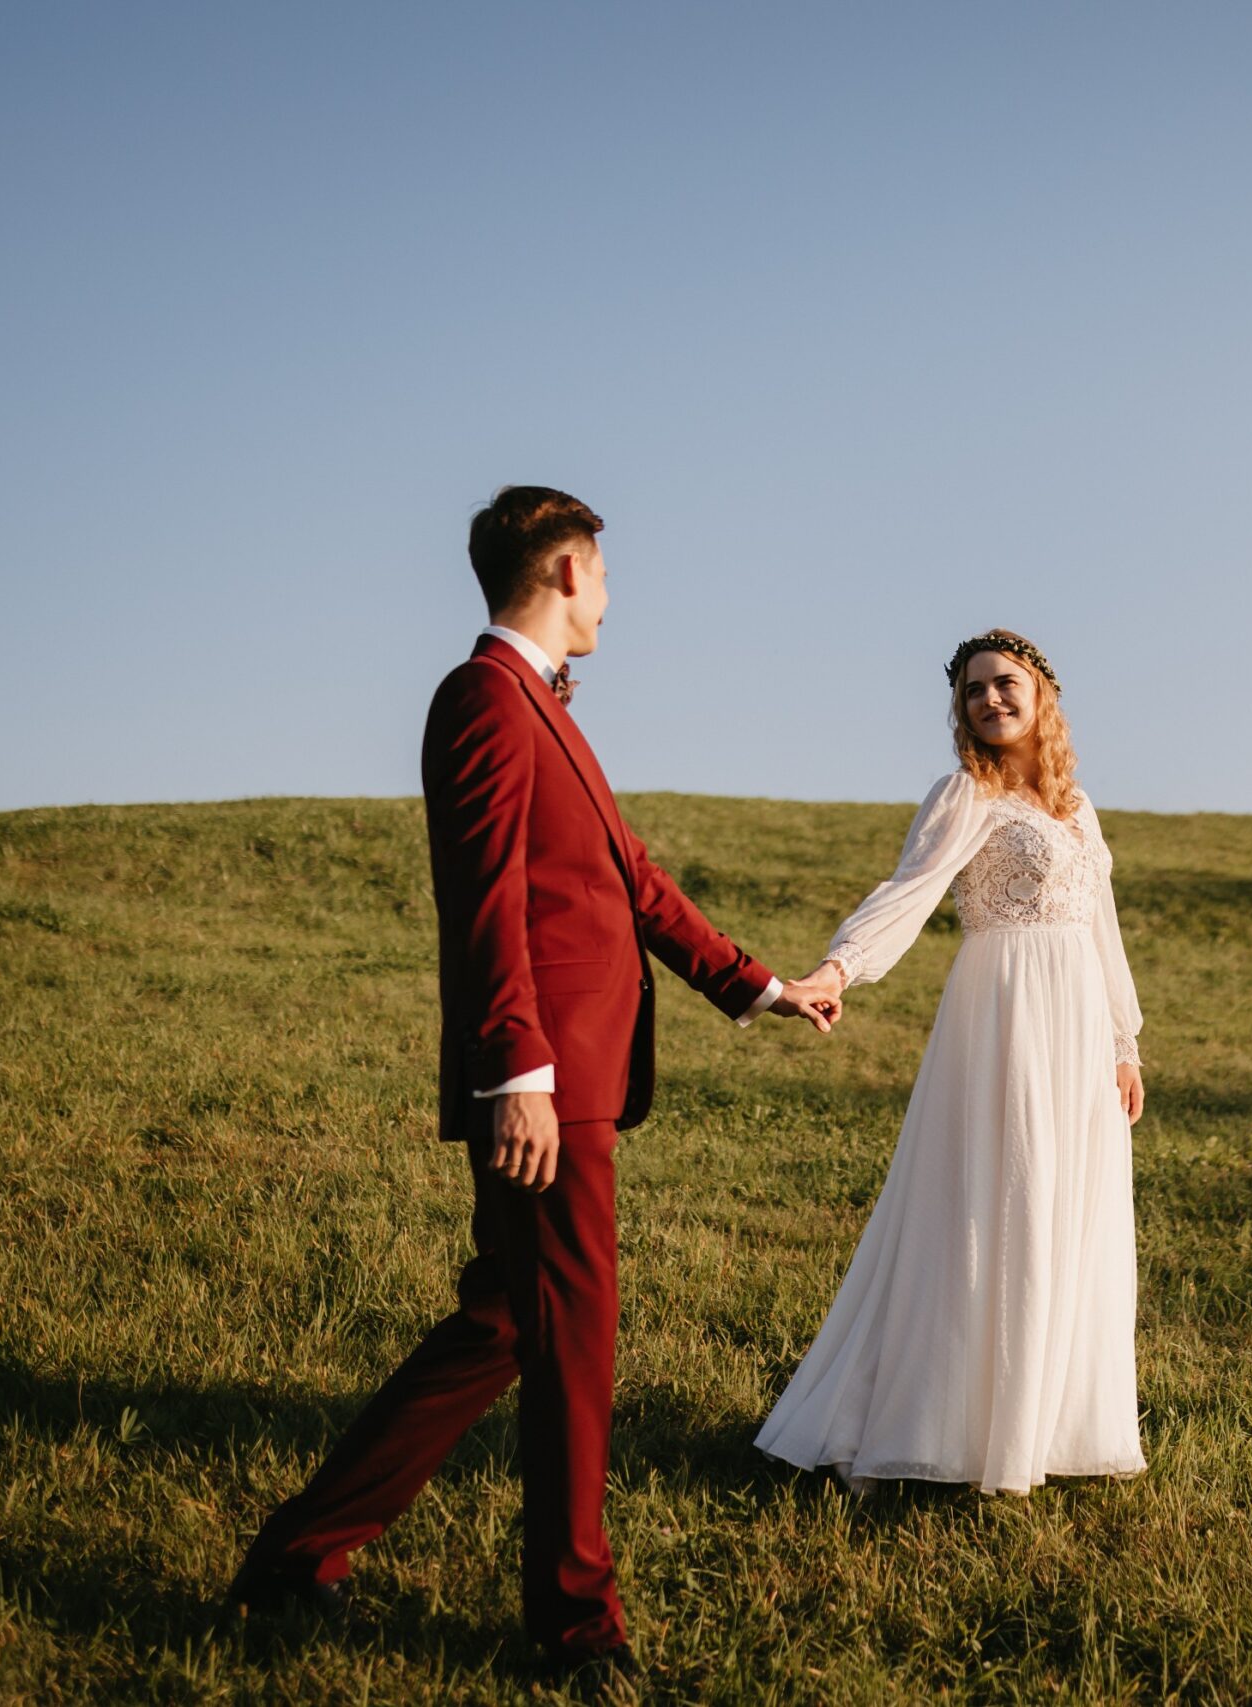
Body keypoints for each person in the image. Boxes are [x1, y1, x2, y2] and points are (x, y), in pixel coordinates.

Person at [225, 486, 841, 1681]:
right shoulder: (483, 698)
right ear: (564, 570)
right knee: (573, 1348)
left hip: (568, 1073)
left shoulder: (538, 707)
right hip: (547, 1084)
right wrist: (517, 1070)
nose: (610, 596)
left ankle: (297, 1558)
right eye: (602, 573)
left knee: (506, 1322)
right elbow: (485, 898)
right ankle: (573, 1628)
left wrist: (759, 987)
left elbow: (631, 879)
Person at [756, 629, 1148, 1495]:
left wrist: (1123, 1042)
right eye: (973, 690)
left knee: (1069, 1210)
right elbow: (907, 890)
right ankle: (940, 1426)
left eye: (1004, 683)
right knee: (995, 1204)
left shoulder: (1077, 808)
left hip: (1079, 1029)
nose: (989, 699)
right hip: (1004, 1016)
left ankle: (1042, 1426)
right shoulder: (966, 794)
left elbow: (1103, 929)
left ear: (1042, 694)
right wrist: (838, 968)